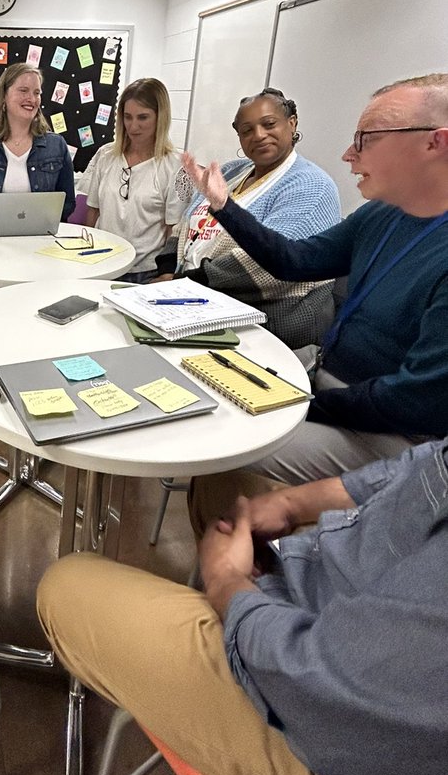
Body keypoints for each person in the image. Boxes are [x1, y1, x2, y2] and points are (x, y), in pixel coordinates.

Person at [37, 436, 448, 775]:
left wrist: (228, 583)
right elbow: (433, 462)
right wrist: (291, 503)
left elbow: (323, 684)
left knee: (65, 586)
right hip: (360, 621)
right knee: (222, 490)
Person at [184, 73, 448, 528]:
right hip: (330, 385)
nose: (350, 154)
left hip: (394, 432)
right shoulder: (384, 213)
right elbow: (294, 259)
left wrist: (303, 403)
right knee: (209, 391)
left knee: (224, 441)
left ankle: (240, 582)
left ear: (435, 143)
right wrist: (225, 207)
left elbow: (415, 401)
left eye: (367, 139)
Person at [153, 87, 341, 346]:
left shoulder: (312, 186)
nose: (259, 135)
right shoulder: (231, 171)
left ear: (292, 123)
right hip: (191, 300)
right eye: (247, 130)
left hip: (265, 326)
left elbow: (271, 265)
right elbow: (188, 222)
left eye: (269, 124)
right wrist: (166, 267)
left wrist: (186, 282)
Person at [79, 77, 184, 282]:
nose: (133, 126)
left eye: (143, 118)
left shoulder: (174, 166)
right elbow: (93, 211)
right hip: (101, 265)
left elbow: (175, 229)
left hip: (145, 272)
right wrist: (82, 259)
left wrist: (167, 275)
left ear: (160, 118)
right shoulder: (106, 155)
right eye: (128, 117)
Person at [0, 62, 76, 224]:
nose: (32, 99)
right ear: (4, 96)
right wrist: (5, 218)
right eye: (23, 90)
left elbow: (68, 204)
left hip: (42, 240)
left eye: (37, 93)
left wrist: (31, 219)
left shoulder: (57, 146)